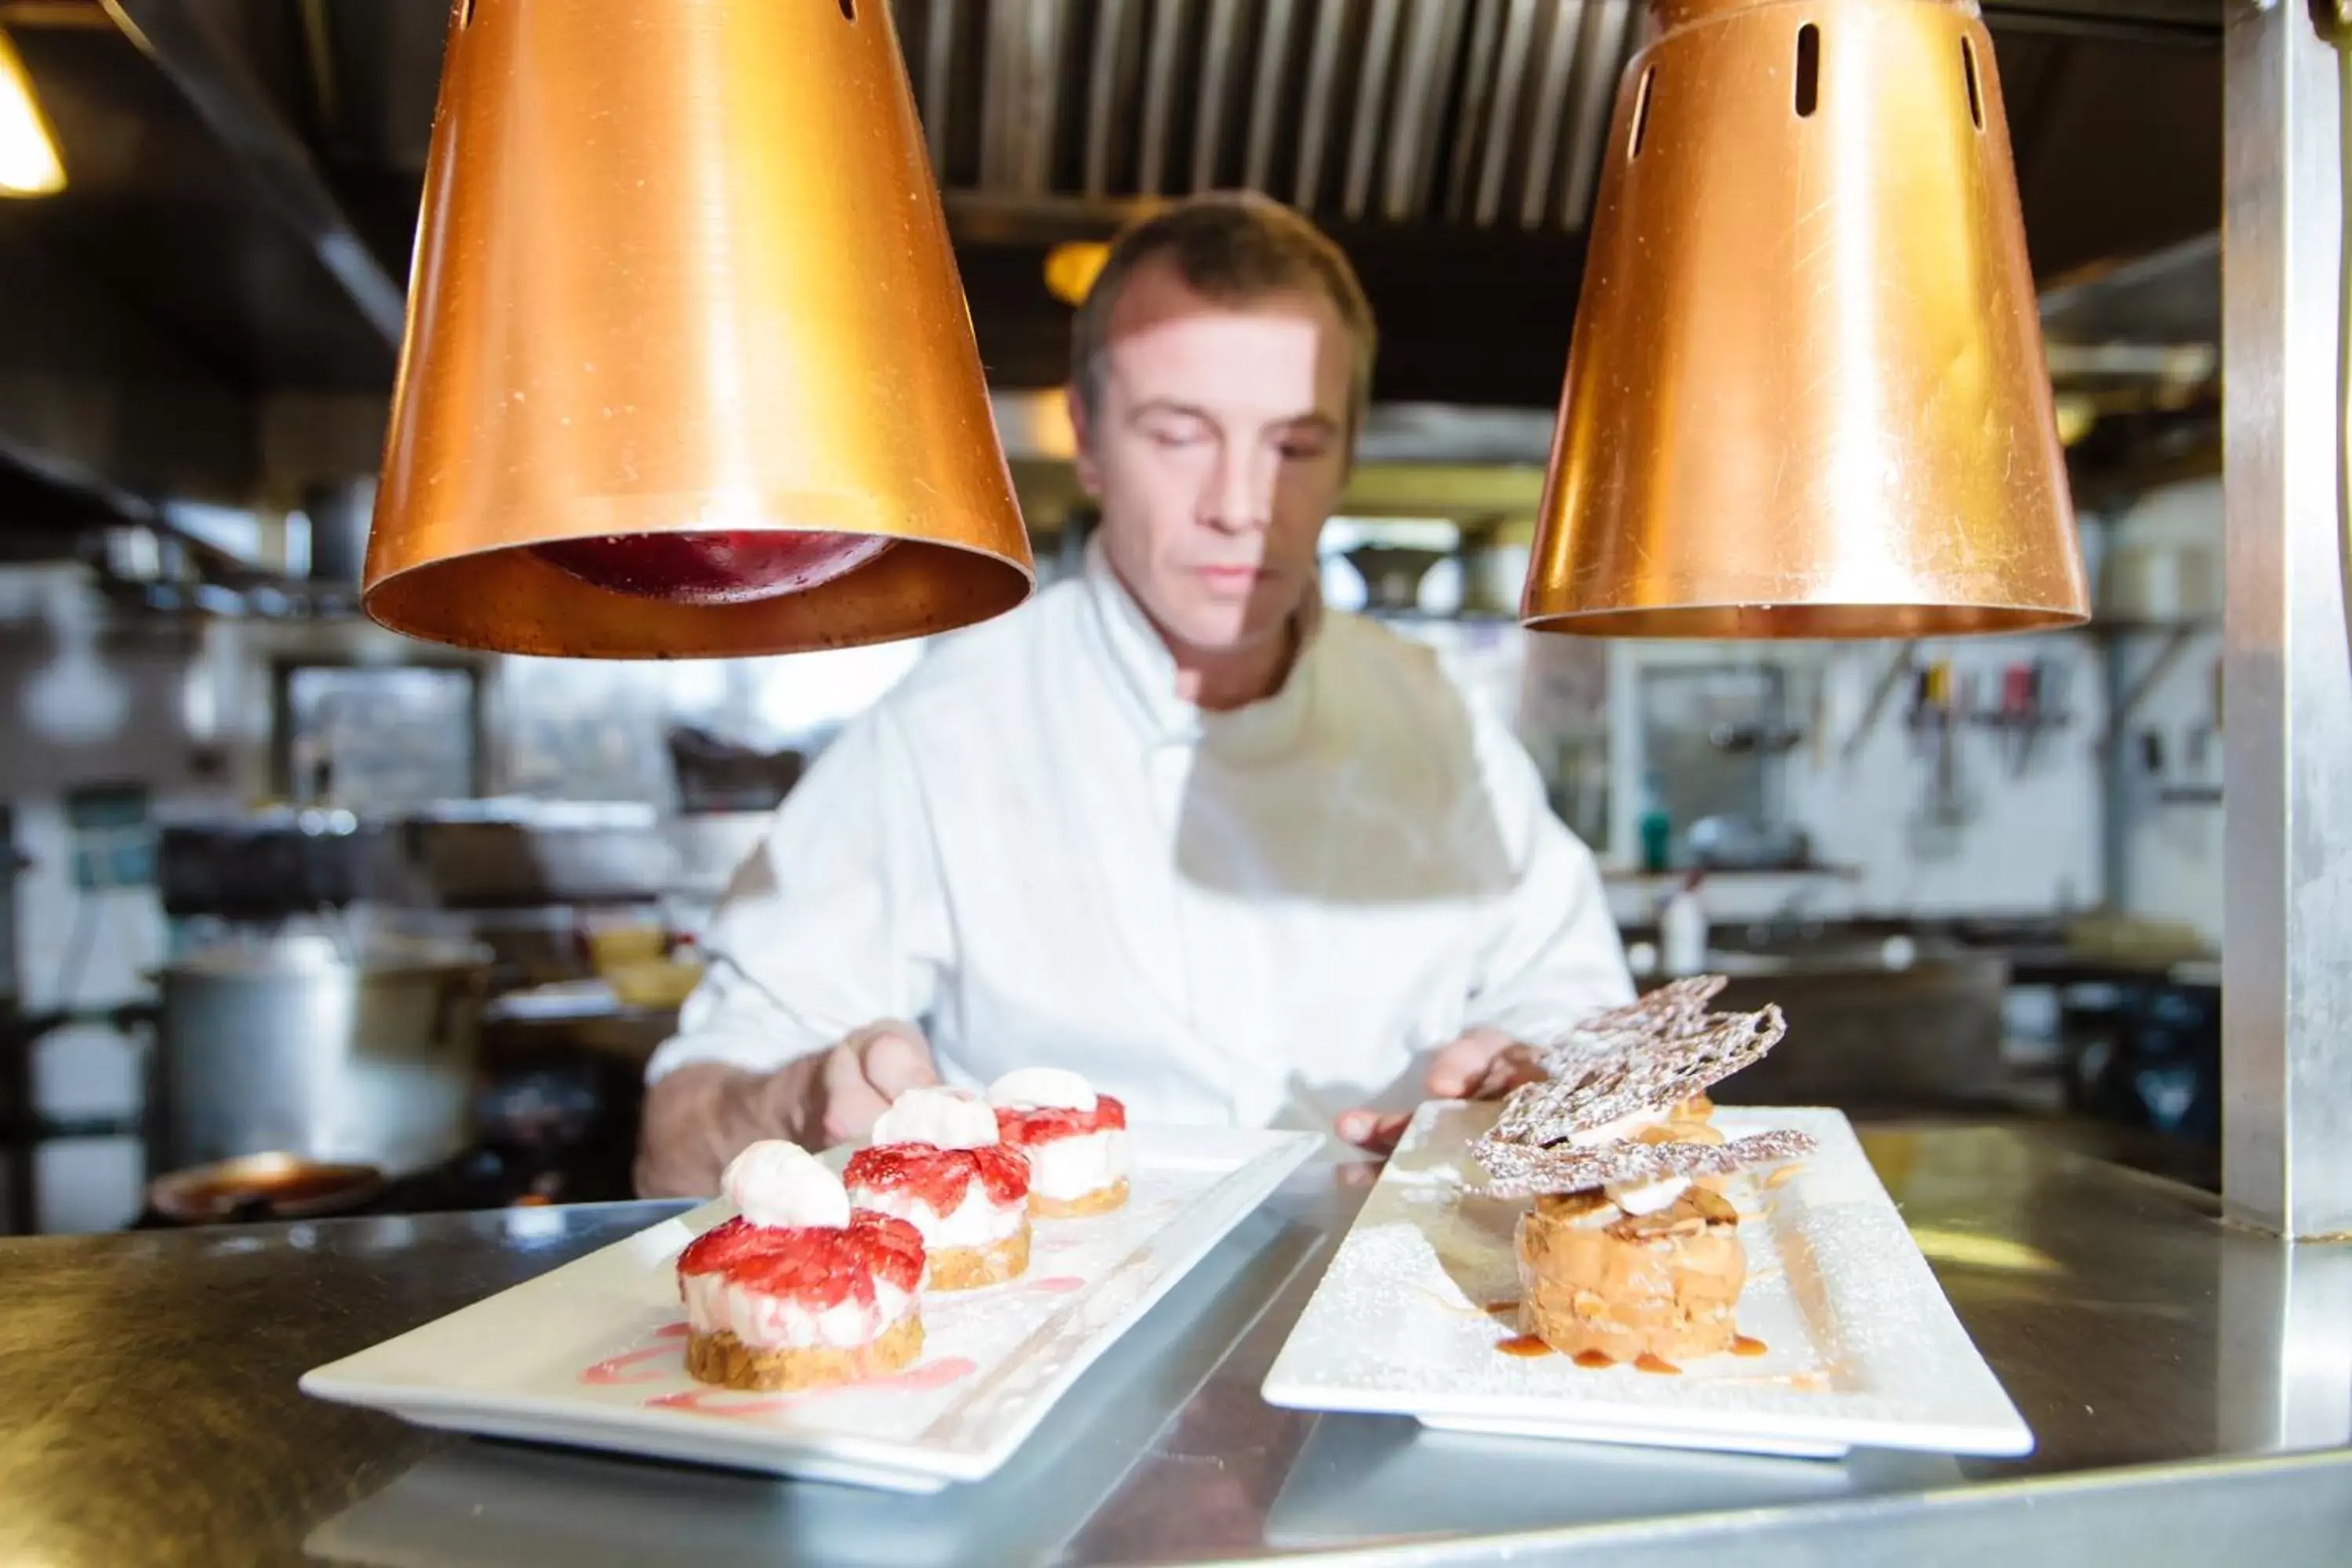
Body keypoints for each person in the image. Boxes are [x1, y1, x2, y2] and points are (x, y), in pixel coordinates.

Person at [634, 192, 1632, 1198]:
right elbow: (675, 1137)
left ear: (1349, 450)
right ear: (1090, 436)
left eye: (1293, 445)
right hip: (1050, 1335)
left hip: (1388, 1313)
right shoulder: (946, 731)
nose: (1242, 506)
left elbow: (1584, 1013)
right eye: (1180, 434)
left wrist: (1534, 1072)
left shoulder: (1432, 714)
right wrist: (803, 1101)